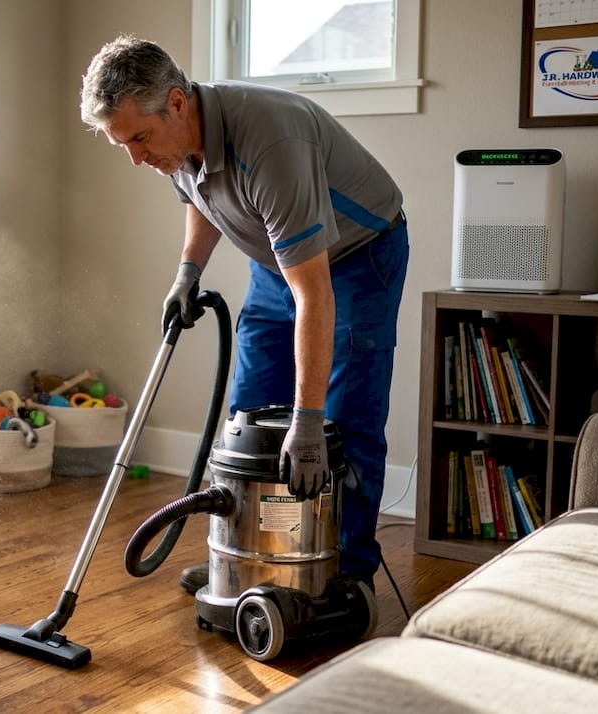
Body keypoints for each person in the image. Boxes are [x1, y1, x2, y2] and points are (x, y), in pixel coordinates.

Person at [79, 35, 409, 620]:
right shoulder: (173, 142)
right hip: (276, 263)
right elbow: (200, 194)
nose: (134, 157)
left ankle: (350, 577)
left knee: (343, 418)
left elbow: (316, 295)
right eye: (120, 143)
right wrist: (188, 269)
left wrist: (306, 425)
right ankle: (244, 556)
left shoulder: (271, 142)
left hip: (356, 260)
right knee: (248, 414)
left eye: (138, 139)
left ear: (177, 104)